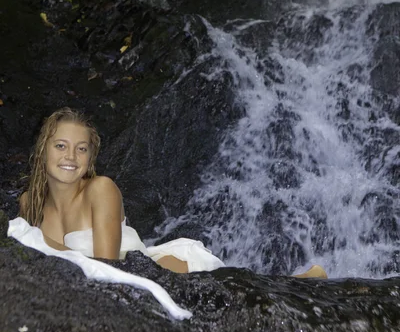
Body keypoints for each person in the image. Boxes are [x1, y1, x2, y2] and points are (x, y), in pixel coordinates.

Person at [19, 107, 327, 278]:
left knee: (258, 301)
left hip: (181, 276)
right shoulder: (29, 205)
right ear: (43, 150)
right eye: (61, 146)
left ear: (90, 158)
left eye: (81, 148)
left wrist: (39, 240)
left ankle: (305, 281)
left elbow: (108, 268)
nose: (70, 156)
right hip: (142, 291)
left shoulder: (100, 189)